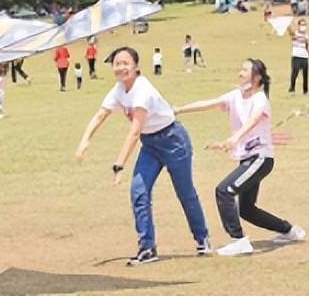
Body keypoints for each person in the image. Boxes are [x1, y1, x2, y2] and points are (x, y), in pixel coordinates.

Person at [75, 47, 211, 265]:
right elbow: (101, 114)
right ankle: (147, 247)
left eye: (125, 63)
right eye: (117, 64)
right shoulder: (119, 89)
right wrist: (85, 140)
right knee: (139, 192)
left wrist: (119, 165)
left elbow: (134, 132)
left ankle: (202, 238)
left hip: (173, 140)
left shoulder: (142, 90)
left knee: (185, 193)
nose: (121, 68)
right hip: (150, 145)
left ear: (136, 66)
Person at [174, 58, 306, 256]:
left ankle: (238, 240)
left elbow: (253, 121)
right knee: (246, 209)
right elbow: (211, 103)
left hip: (260, 158)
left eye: (245, 70)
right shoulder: (235, 96)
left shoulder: (260, 99)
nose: (240, 73)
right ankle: (290, 231)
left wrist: (234, 138)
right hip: (248, 159)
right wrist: (180, 109)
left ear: (257, 77)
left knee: (224, 190)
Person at [286, 18, 309, 95]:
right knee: (294, 73)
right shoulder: (295, 33)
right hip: (296, 55)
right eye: (302, 24)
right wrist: (287, 24)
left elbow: (306, 43)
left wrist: (308, 52)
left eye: (304, 25)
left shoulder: (306, 34)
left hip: (304, 56)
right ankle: (292, 89)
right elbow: (291, 33)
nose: (303, 26)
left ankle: (305, 90)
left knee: (305, 75)